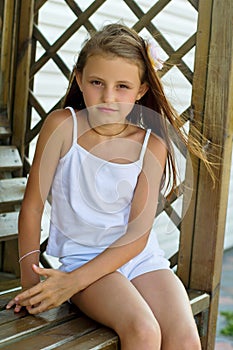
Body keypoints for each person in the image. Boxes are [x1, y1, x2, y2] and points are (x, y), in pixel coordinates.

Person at [6, 24, 212, 349]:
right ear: (79, 79)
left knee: (186, 339)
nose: (108, 97)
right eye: (97, 83)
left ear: (142, 90)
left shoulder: (151, 145)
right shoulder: (62, 127)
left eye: (123, 87)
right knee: (144, 331)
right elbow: (31, 208)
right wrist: (33, 283)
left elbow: (137, 236)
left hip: (141, 258)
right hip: (84, 260)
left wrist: (70, 285)